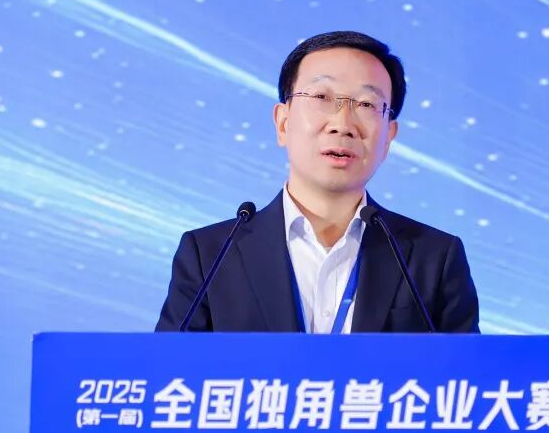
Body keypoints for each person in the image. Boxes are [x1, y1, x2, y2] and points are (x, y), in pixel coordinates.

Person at [156, 31, 479, 333]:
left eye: (366, 104)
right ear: (283, 123)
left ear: (388, 137)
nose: (343, 124)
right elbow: (168, 368)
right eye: (322, 96)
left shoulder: (433, 258)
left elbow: (466, 372)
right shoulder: (210, 255)